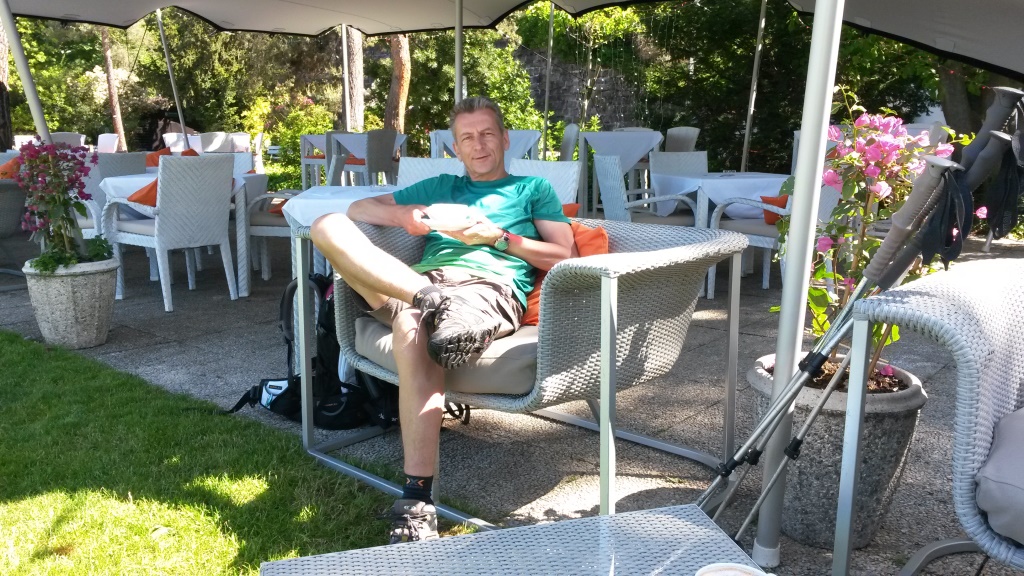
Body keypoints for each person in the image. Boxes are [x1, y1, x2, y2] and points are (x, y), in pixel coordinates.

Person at [310, 96, 574, 544]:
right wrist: (404, 216)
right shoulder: (440, 186)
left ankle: (416, 500)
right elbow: (359, 210)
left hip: (485, 289)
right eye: (467, 137)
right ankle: (430, 300)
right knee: (326, 224)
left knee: (412, 328)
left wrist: (499, 238)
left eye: (487, 134)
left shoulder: (532, 189)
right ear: (456, 147)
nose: (479, 144)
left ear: (505, 139)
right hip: (417, 284)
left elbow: (563, 254)